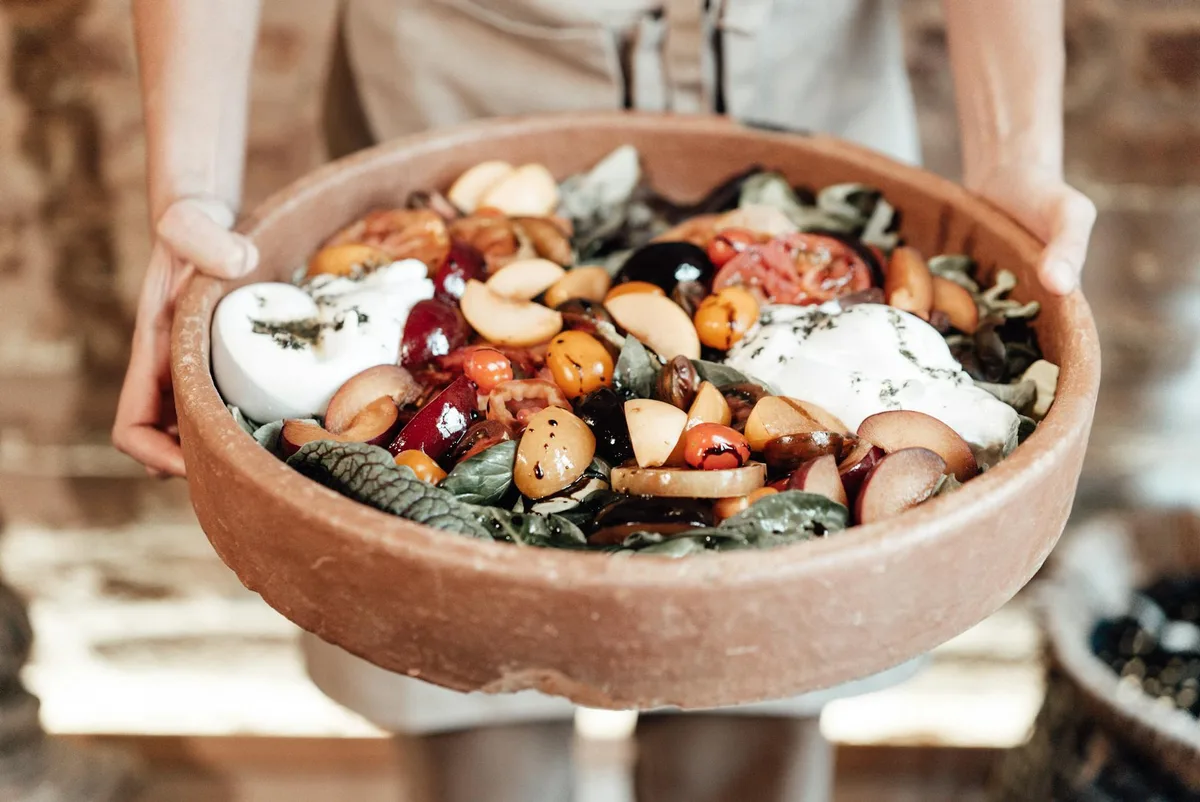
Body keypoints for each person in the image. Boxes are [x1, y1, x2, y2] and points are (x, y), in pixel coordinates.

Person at [115, 2, 1097, 800]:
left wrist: (1016, 148)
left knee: (769, 669)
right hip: (458, 82)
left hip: (800, 87)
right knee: (461, 687)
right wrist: (190, 188)